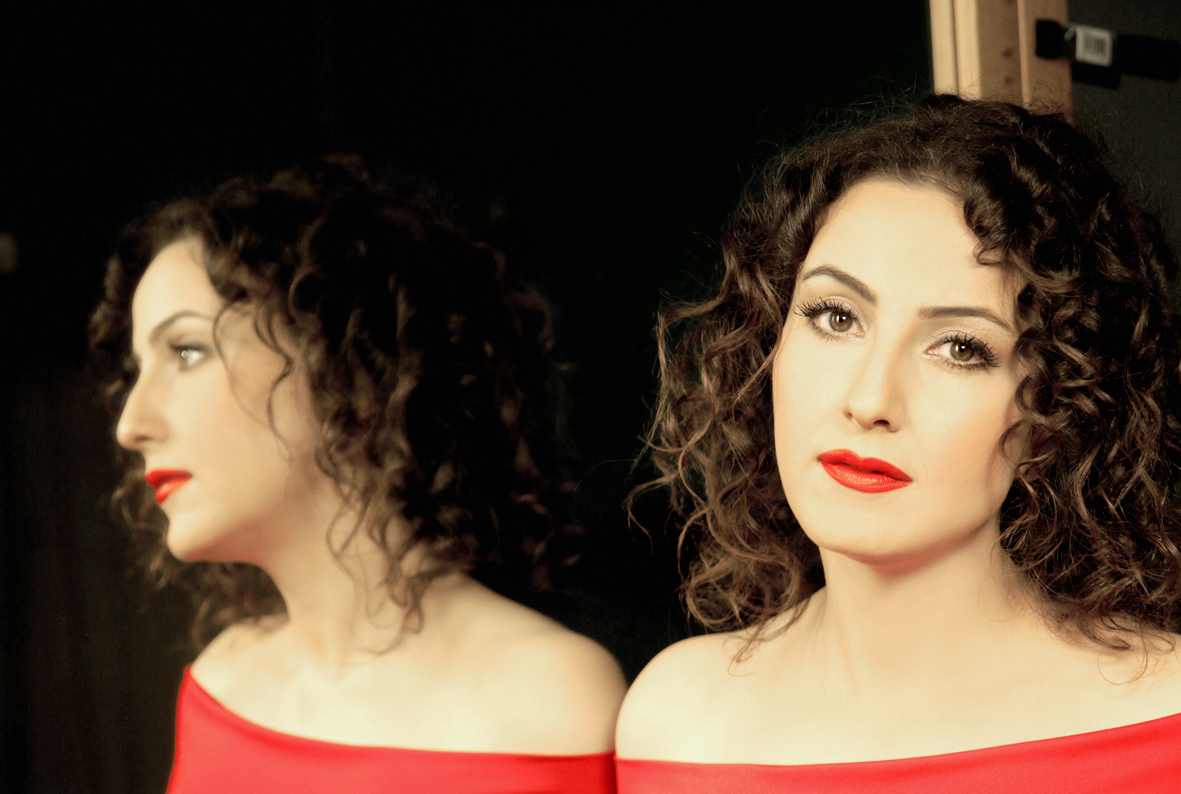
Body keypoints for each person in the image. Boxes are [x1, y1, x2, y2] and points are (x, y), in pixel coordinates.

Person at [614, 95, 1181, 792]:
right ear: (768, 342)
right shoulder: (677, 724)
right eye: (835, 317)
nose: (870, 401)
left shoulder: (1166, 719)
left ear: (1061, 402)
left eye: (961, 348)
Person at [89, 157, 625, 793]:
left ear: (344, 353)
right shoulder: (219, 686)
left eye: (185, 351)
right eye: (137, 370)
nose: (131, 425)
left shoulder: (550, 704)